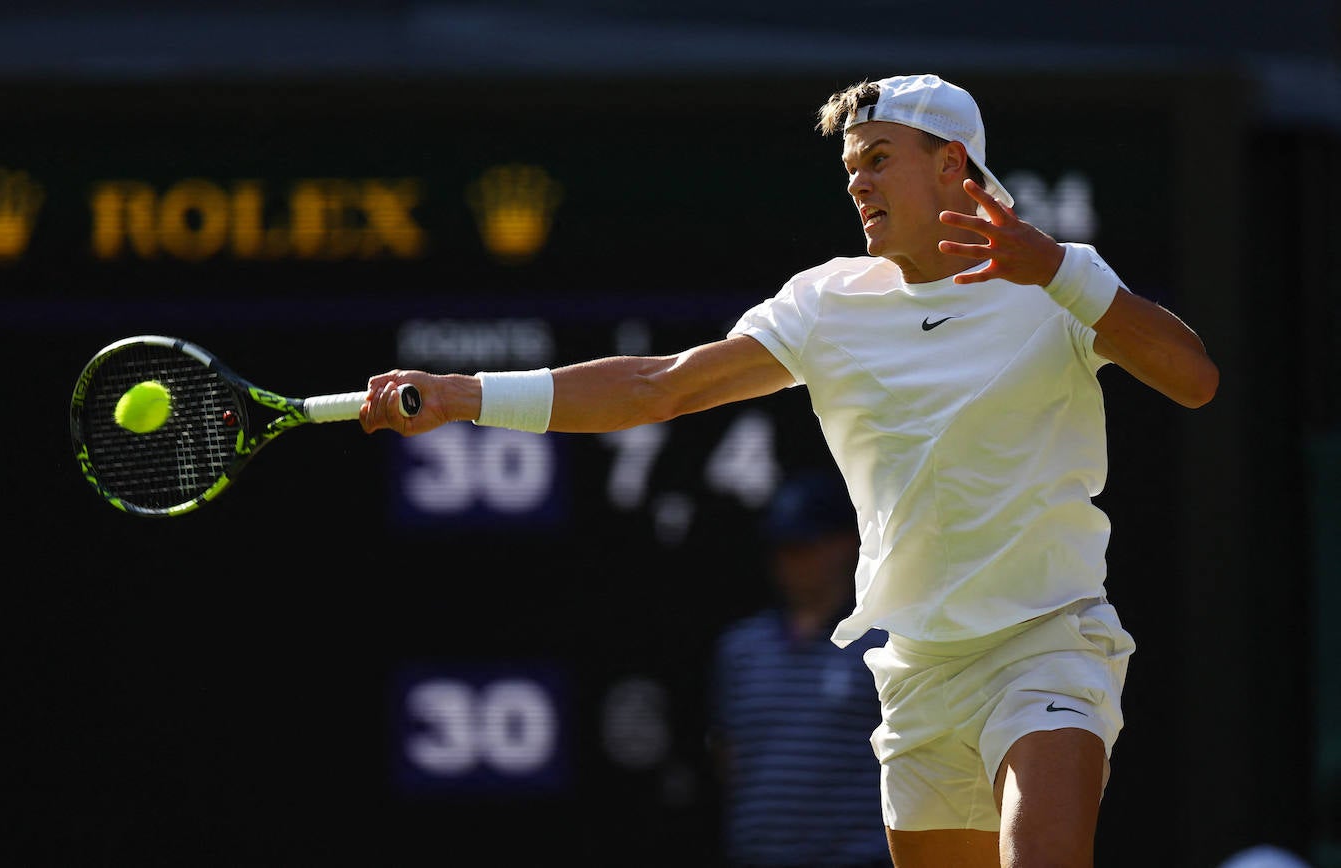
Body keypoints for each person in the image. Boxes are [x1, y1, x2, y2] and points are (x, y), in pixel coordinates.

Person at [359, 73, 1219, 867]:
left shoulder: (1060, 282)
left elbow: (1195, 379)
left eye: (879, 159)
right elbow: (663, 386)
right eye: (851, 166)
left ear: (952, 163)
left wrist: (1060, 272)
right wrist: (468, 394)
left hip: (1049, 646)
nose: (858, 183)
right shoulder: (824, 303)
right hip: (919, 671)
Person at [708, 469, 892, 868]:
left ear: (847, 545)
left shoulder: (884, 646)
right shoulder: (740, 649)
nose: (793, 562)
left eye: (806, 546)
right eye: (783, 548)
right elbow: (729, 756)